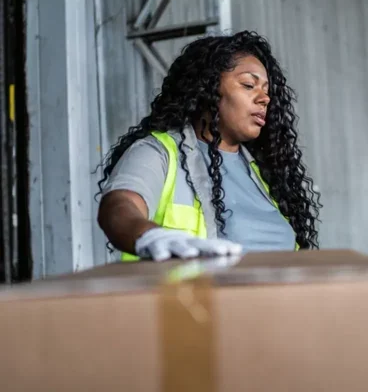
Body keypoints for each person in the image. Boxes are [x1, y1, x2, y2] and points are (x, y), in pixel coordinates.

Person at [97, 31, 321, 261]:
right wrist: (149, 236)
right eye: (248, 85)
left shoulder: (263, 174)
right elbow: (119, 206)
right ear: (207, 89)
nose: (264, 99)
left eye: (267, 90)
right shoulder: (158, 152)